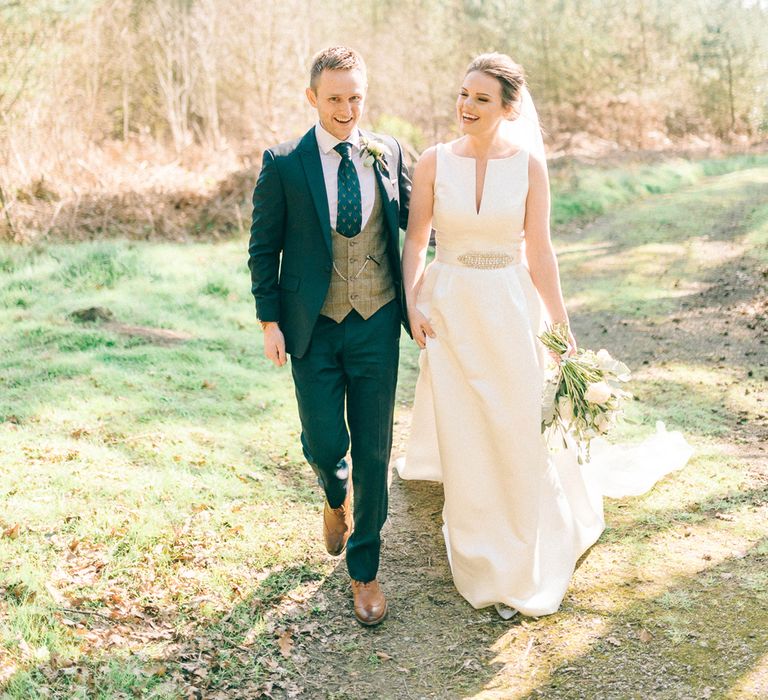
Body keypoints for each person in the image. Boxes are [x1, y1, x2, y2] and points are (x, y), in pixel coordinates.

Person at [397, 53, 690, 619]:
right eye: (463, 94)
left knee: (515, 420)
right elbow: (415, 242)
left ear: (508, 108)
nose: (467, 106)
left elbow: (541, 252)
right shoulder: (432, 161)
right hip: (451, 308)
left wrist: (560, 323)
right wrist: (413, 304)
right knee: (465, 422)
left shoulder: (529, 165)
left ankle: (527, 530)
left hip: (509, 306)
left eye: (482, 99)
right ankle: (475, 533)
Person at [248, 46, 411, 626]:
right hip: (312, 328)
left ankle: (364, 571)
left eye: (356, 97)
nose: (346, 109)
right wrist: (270, 321)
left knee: (373, 448)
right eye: (335, 97)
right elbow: (264, 248)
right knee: (324, 442)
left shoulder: (388, 152)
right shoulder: (285, 162)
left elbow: (417, 232)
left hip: (377, 323)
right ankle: (332, 494)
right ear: (313, 97)